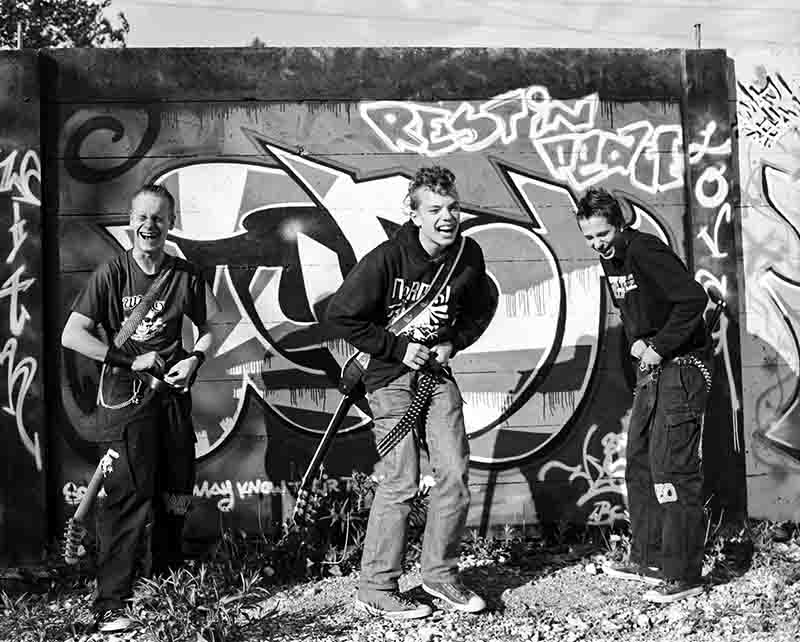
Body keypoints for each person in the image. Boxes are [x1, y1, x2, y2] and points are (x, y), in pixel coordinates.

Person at [325, 166, 496, 619]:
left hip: (436, 378)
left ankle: (439, 575)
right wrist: (398, 348)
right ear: (414, 213)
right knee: (400, 480)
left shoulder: (468, 256)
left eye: (453, 208)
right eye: (435, 209)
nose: (447, 217)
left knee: (455, 472)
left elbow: (485, 304)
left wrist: (453, 342)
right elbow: (340, 317)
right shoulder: (386, 259)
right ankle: (377, 587)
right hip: (388, 379)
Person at [61, 184, 220, 632]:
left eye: (160, 218)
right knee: (127, 500)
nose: (150, 226)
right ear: (131, 221)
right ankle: (112, 602)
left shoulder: (185, 274)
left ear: (171, 224)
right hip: (124, 402)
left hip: (172, 401)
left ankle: (166, 590)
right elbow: (73, 334)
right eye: (142, 217)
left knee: (175, 496)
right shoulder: (112, 273)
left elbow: (214, 325)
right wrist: (130, 359)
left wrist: (196, 359)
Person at [575, 187, 712, 604]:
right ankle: (648, 558)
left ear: (620, 224)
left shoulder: (646, 250)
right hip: (653, 371)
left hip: (682, 367)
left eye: (602, 234)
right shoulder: (612, 259)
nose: (597, 244)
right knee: (639, 463)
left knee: (673, 468)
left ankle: (682, 572)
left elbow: (693, 299)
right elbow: (637, 311)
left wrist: (659, 345)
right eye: (589, 238)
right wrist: (638, 344)